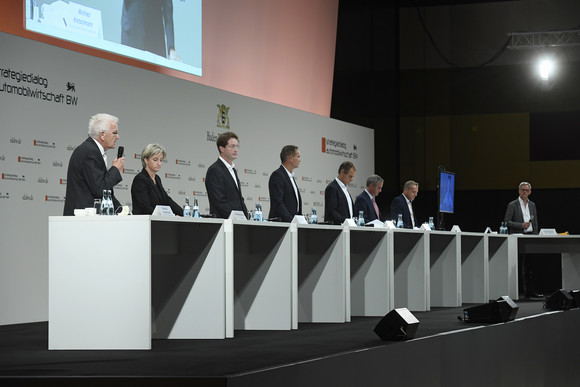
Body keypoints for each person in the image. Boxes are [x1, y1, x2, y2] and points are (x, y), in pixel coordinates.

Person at [63, 113, 125, 216]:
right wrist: (115, 169)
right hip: (83, 219)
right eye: (115, 133)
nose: (118, 137)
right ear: (102, 135)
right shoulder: (90, 152)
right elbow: (100, 189)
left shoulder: (90, 149)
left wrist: (123, 211)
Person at [504, 181, 541, 298]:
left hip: (530, 236)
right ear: (519, 191)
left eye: (527, 190)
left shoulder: (532, 205)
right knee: (516, 266)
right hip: (517, 237)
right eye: (523, 190)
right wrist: (521, 225)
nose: (525, 192)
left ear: (530, 192)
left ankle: (529, 291)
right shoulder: (512, 205)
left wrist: (535, 235)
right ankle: (514, 292)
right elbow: (507, 222)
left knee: (529, 266)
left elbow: (535, 222)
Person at [205, 131, 248, 219]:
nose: (236, 149)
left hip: (238, 223)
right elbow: (219, 201)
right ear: (222, 148)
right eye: (232, 146)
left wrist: (245, 217)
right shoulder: (214, 170)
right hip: (224, 222)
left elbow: (239, 199)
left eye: (237, 146)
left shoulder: (233, 170)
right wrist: (234, 218)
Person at [131, 144, 182, 215]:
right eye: (155, 160)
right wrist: (166, 215)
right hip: (144, 222)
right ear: (146, 160)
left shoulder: (157, 179)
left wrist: (184, 213)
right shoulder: (140, 179)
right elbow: (144, 207)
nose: (159, 163)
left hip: (157, 221)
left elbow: (167, 200)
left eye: (161, 160)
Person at [268, 145, 302, 222]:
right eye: (298, 157)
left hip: (292, 225)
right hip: (281, 225)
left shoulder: (290, 176)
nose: (300, 160)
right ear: (290, 158)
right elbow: (278, 203)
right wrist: (291, 221)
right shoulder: (277, 175)